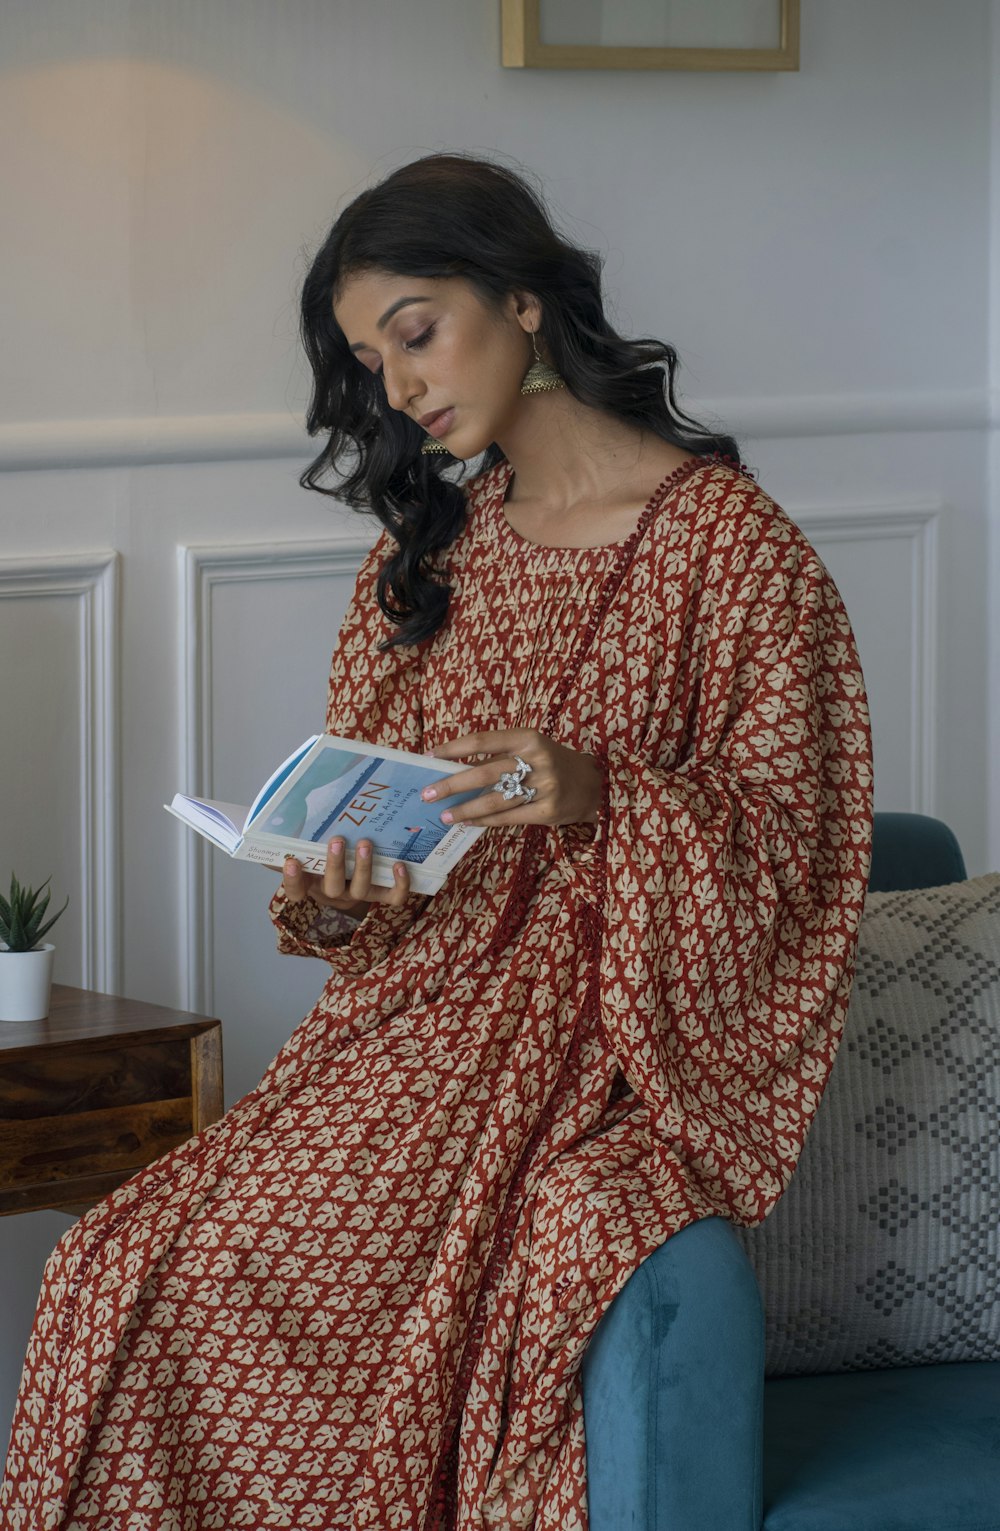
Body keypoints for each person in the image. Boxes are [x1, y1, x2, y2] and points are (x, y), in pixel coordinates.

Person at [2, 155, 874, 1531]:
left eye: (416, 332)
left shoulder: (734, 553)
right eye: (369, 360)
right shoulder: (428, 555)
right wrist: (344, 891)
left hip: (589, 1044)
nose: (399, 388)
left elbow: (802, 857)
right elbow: (368, 849)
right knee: (111, 1264)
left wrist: (599, 792)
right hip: (399, 1033)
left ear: (524, 301)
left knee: (206, 1285)